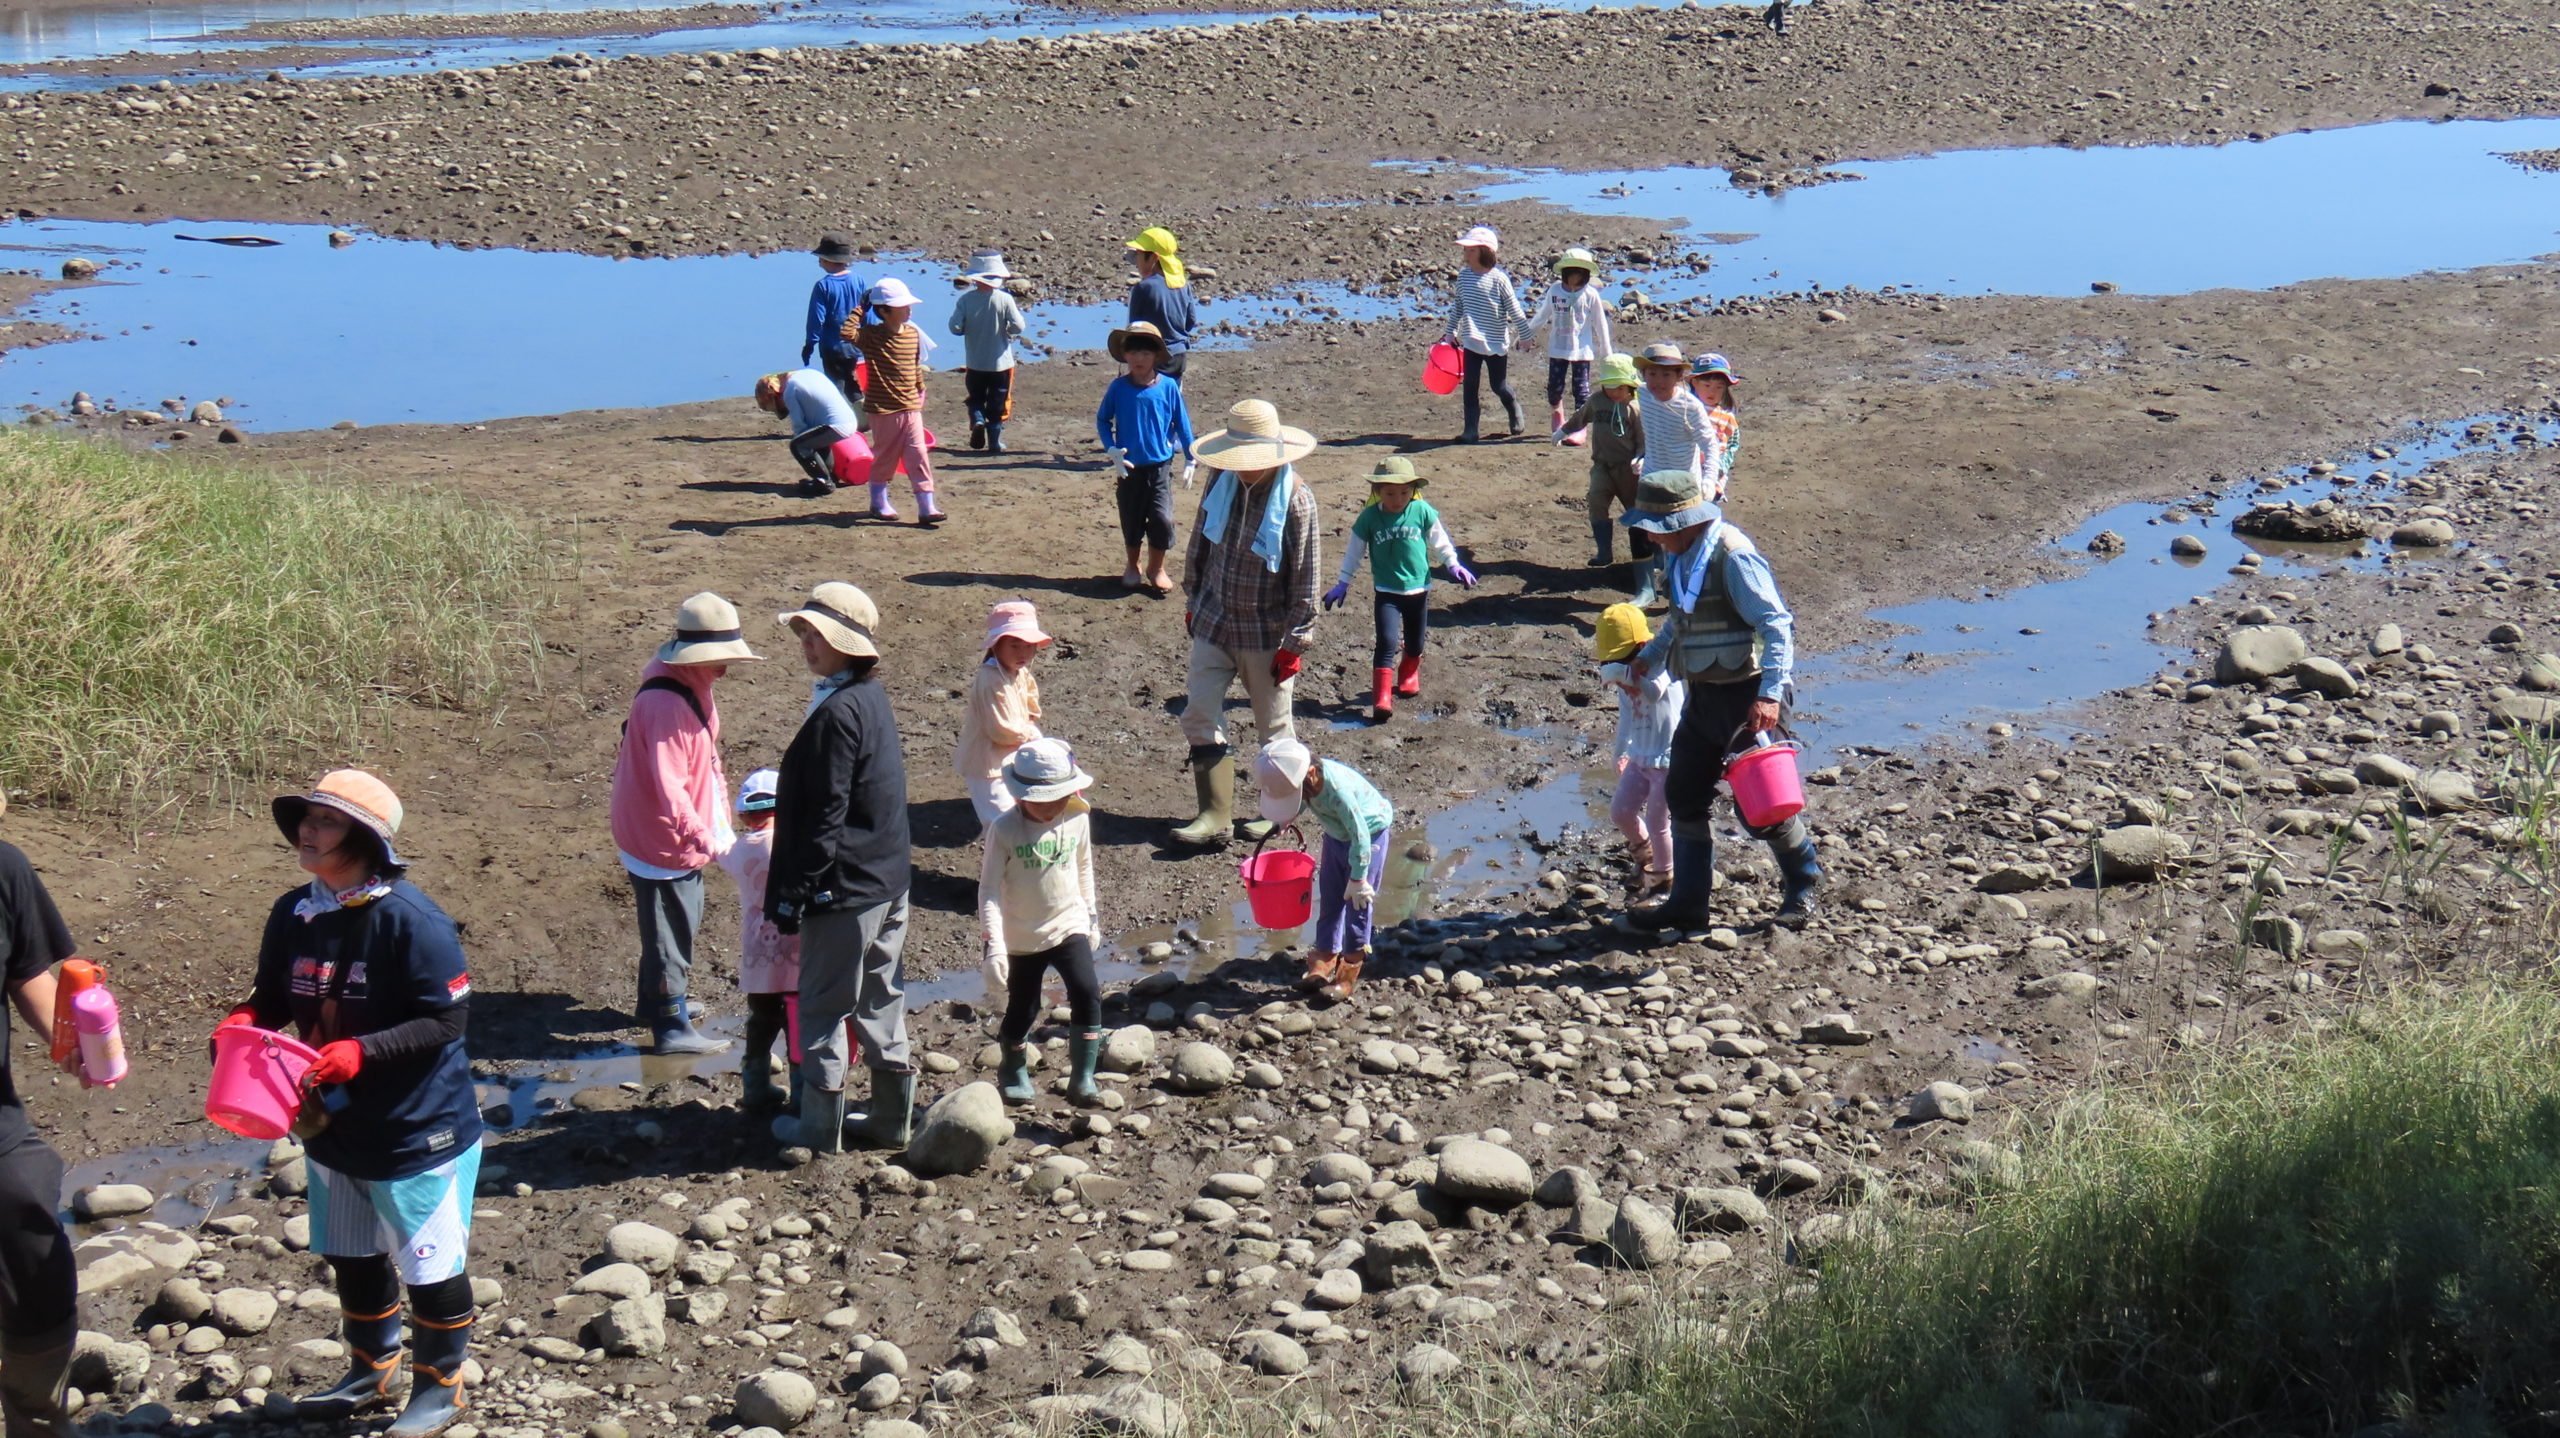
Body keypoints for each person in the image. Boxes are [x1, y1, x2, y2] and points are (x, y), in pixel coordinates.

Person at [221, 770, 482, 1438]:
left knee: (430, 1262)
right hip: (331, 1122)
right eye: (306, 818)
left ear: (364, 839)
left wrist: (362, 1052)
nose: (309, 830)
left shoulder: (411, 921)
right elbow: (274, 995)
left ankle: (441, 1389)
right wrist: (247, 1020)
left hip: (414, 1129)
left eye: (327, 822)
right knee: (351, 1251)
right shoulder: (296, 911)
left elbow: (445, 1022)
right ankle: (372, 1369)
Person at [1620, 471, 1822, 933]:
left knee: (1764, 803)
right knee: (1684, 792)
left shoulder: (1733, 556)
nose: (1648, 534)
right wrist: (1648, 658)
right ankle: (1689, 902)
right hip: (1705, 693)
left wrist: (1771, 695)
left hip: (1749, 695)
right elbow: (1678, 620)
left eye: (1653, 525)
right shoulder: (1679, 556)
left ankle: (1806, 882)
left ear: (1679, 521)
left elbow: (1776, 625)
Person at [766, 583, 916, 1154]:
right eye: (804, 632)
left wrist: (794, 893)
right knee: (881, 995)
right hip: (887, 880)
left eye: (816, 635)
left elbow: (825, 815)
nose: (807, 643)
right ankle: (889, 1121)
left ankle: (817, 1128)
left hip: (845, 891)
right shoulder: (869, 698)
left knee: (825, 1006)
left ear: (845, 644)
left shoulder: (836, 712)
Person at [609, 593, 757, 1055]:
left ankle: (653, 1003)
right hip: (660, 836)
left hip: (669, 829)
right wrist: (707, 841)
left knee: (674, 922)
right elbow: (671, 789)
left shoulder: (687, 682)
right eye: (718, 659)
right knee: (671, 928)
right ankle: (670, 1027)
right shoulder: (666, 706)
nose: (725, 667)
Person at [1174, 400, 1321, 848]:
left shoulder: (1297, 500)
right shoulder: (1220, 481)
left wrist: (1294, 643)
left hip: (1265, 634)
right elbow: (1200, 541)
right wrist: (1193, 599)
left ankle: (1276, 816)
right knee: (1199, 713)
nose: (1242, 469)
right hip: (1214, 620)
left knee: (1275, 731)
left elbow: (1306, 579)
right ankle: (1213, 816)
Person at [0, 793, 91, 1438]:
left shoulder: (5, 868)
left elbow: (27, 970)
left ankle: (37, 1419)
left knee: (34, 1237)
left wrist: (73, 1042)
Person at [981, 739, 1104, 1110]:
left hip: (1069, 923)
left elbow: (1084, 869)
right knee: (1025, 1006)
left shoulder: (1077, 818)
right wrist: (994, 945)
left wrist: (1091, 917)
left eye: (1058, 796)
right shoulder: (1004, 830)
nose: (1051, 806)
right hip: (1022, 935)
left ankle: (1083, 1077)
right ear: (1021, 795)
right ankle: (1013, 1067)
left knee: (1087, 991)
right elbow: (988, 890)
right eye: (1042, 798)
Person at [1322, 456, 1477, 721]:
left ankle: (1408, 674)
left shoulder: (1422, 511)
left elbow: (1440, 541)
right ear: (1378, 491)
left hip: (1418, 590)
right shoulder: (1369, 518)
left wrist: (1453, 565)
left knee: (1415, 643)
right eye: (1390, 493)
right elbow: (1354, 552)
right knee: (1386, 642)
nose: (1398, 499)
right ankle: (1381, 698)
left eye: (1405, 492)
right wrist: (1342, 582)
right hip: (1386, 593)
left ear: (1413, 490)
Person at [1253, 738, 1392, 1003]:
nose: (1300, 798)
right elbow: (1301, 799)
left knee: (1357, 905)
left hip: (1368, 836)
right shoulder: (1306, 784)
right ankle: (1325, 958)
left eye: (1298, 793)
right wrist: (1287, 817)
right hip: (1336, 835)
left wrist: (1358, 878)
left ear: (1312, 774)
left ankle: (1349, 968)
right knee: (1330, 899)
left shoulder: (1337, 790)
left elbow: (1360, 834)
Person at [715, 769, 799, 1113]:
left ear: (745, 815)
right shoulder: (794, 843)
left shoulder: (740, 849)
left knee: (761, 1022)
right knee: (799, 1026)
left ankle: (755, 1088)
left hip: (760, 958)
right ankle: (804, 1094)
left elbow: (719, 851)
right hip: (797, 954)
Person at [1095, 321, 1196, 595]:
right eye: (1133, 352)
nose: (1139, 359)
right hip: (1128, 468)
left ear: (1156, 356)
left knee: (1162, 518)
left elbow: (1182, 423)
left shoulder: (1168, 387)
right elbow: (1103, 420)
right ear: (1125, 355)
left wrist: (1190, 458)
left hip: (1160, 467)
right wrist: (1111, 449)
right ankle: (1132, 565)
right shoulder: (1118, 388)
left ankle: (1157, 568)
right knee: (1132, 518)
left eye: (1145, 353)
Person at [1594, 603, 1682, 894]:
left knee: (1659, 821)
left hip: (1668, 758)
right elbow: (1627, 717)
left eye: (1627, 658)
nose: (1621, 665)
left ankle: (1663, 881)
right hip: (1640, 756)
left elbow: (1655, 692)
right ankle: (1646, 858)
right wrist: (1620, 751)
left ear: (1644, 646)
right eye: (1614, 660)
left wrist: (1627, 674)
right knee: (1620, 811)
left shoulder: (1665, 662)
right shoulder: (1623, 677)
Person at [1631, 343, 1724, 607]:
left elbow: (1710, 445)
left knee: (1680, 539)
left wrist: (1708, 482)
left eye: (1666, 375)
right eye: (1652, 374)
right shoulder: (1641, 395)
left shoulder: (1689, 407)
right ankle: (1646, 588)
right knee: (1641, 530)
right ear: (1644, 375)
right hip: (1651, 477)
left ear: (1679, 377)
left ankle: (1676, 586)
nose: (1658, 381)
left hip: (1683, 484)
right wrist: (1640, 455)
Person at [846, 278, 943, 525]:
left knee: (918, 454)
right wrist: (861, 308)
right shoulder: (872, 336)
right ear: (883, 311)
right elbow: (846, 332)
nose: (908, 309)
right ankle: (878, 502)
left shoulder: (912, 333)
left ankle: (926, 505)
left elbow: (914, 365)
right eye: (902, 306)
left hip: (911, 405)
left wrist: (920, 389)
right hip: (883, 409)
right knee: (885, 456)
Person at [957, 600, 1049, 831]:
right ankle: (998, 863)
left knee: (1015, 814)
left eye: (1029, 646)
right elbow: (1002, 730)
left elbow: (1031, 701)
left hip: (1010, 756)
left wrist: (1029, 721)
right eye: (1015, 645)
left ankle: (1010, 860)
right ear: (996, 645)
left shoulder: (1020, 671)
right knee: (1000, 823)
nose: (1024, 653)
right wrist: (1030, 733)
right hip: (987, 763)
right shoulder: (991, 680)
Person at [1559, 352, 1648, 575]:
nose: (1614, 392)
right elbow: (1580, 417)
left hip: (1628, 471)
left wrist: (1641, 457)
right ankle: (1603, 551)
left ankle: (1645, 555)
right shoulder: (1597, 401)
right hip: (1601, 466)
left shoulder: (1636, 408)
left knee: (1636, 512)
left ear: (1629, 386)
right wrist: (1562, 431)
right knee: (1597, 502)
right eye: (1610, 387)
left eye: (1619, 387)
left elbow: (1642, 439)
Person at [1441, 224, 1529, 444]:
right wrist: (1449, 331)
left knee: (1498, 386)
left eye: (1471, 250)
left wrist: (1525, 334)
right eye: (1465, 250)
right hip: (1471, 341)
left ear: (1486, 252)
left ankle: (1513, 406)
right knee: (1470, 386)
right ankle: (1470, 430)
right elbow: (1458, 307)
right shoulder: (1463, 277)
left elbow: (1514, 309)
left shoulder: (1499, 279)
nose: (1466, 254)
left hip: (1496, 342)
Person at [1522, 247, 1615, 444]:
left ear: (1585, 276)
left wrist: (1607, 353)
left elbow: (1600, 323)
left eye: (1579, 276)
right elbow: (1542, 315)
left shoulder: (1590, 295)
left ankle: (1579, 426)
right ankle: (1558, 414)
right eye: (1571, 275)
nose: (1574, 280)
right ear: (1564, 273)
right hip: (1558, 348)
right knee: (1555, 388)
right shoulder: (1555, 291)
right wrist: (1526, 335)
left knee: (1581, 390)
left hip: (1582, 351)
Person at [949, 249, 1025, 454]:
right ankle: (994, 441)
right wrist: (1007, 331)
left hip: (975, 362)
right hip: (1001, 363)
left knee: (975, 397)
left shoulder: (965, 300)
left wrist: (967, 329)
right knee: (999, 402)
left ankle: (977, 419)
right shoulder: (1004, 299)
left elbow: (954, 327)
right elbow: (1019, 326)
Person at [752, 369, 863, 499]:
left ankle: (823, 482)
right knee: (814, 438)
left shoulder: (790, 391)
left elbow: (799, 426)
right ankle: (830, 476)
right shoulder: (807, 373)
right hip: (849, 421)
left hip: (836, 426)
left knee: (799, 445)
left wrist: (803, 446)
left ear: (775, 395)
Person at [802, 232, 868, 410]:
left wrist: (810, 343)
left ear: (829, 260)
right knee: (851, 379)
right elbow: (866, 309)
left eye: (821, 258)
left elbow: (816, 318)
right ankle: (862, 414)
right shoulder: (858, 280)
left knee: (835, 385)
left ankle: (835, 419)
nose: (819, 262)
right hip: (855, 342)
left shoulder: (823, 285)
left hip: (832, 345)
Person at [1124, 226, 1197, 380]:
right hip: (1179, 357)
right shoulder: (1183, 284)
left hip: (1153, 358)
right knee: (1171, 399)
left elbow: (1135, 329)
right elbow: (1190, 322)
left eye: (1138, 255)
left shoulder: (1143, 287)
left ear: (1153, 258)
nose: (1136, 261)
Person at [1688, 352, 1742, 499]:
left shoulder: (1727, 418)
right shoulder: (1686, 409)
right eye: (1707, 385)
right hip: (1688, 470)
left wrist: (1721, 467)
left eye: (1719, 387)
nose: (1712, 391)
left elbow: (1732, 445)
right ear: (1694, 382)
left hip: (1714, 474)